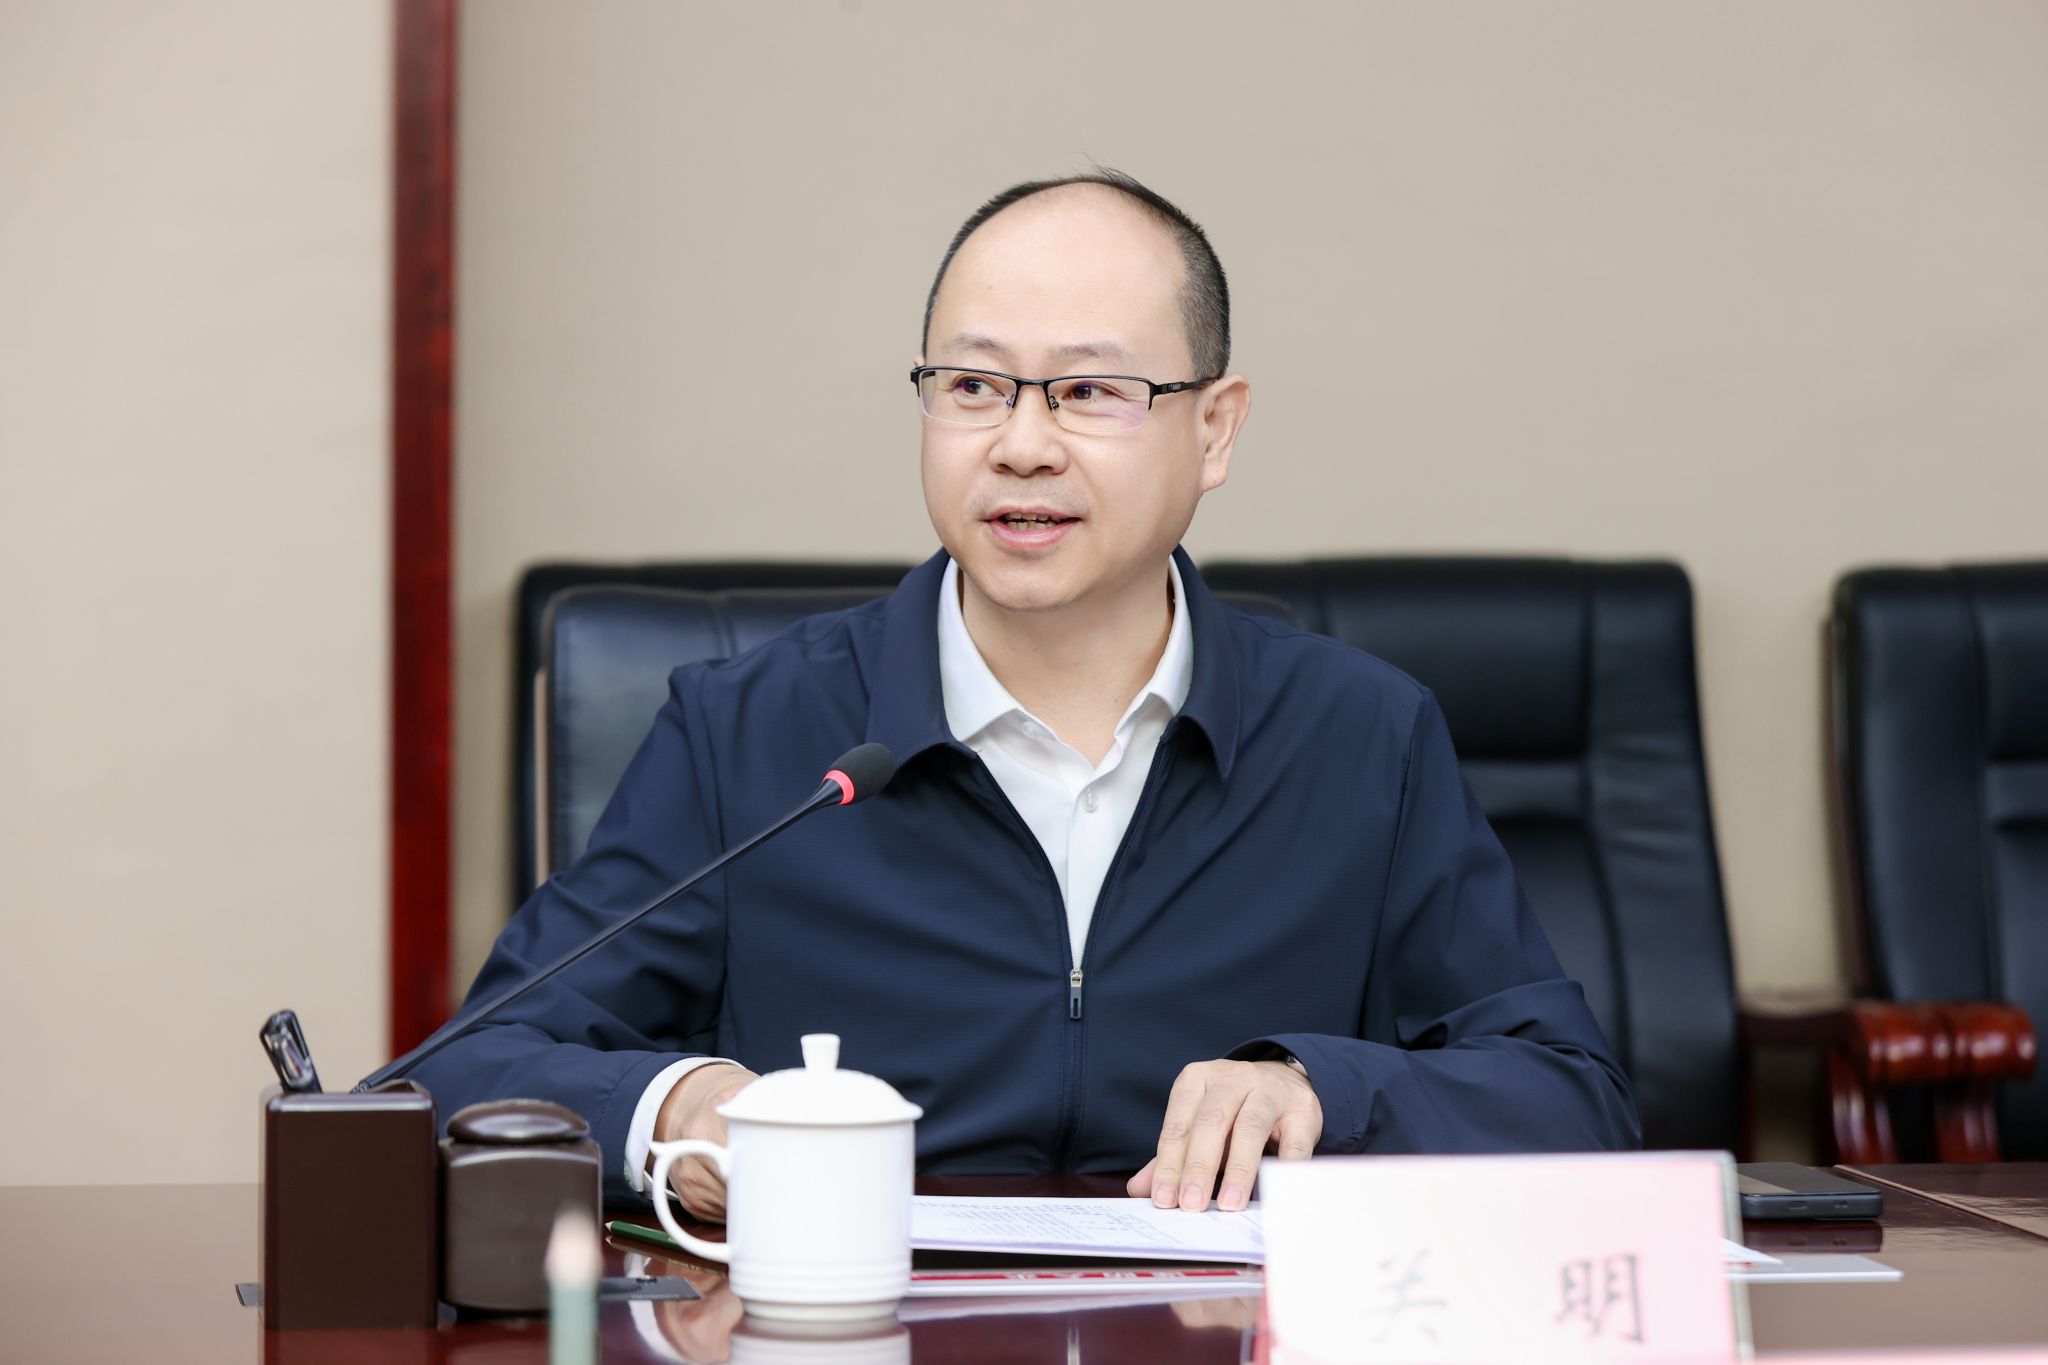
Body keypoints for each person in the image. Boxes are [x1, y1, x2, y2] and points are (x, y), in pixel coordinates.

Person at [411, 170, 1640, 1221]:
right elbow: (458, 1074)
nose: (1020, 444)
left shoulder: (1360, 736)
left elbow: (1569, 1098)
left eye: (1089, 392)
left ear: (1214, 430)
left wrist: (1320, 1090)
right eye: (972, 386)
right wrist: (676, 1110)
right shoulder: (751, 732)